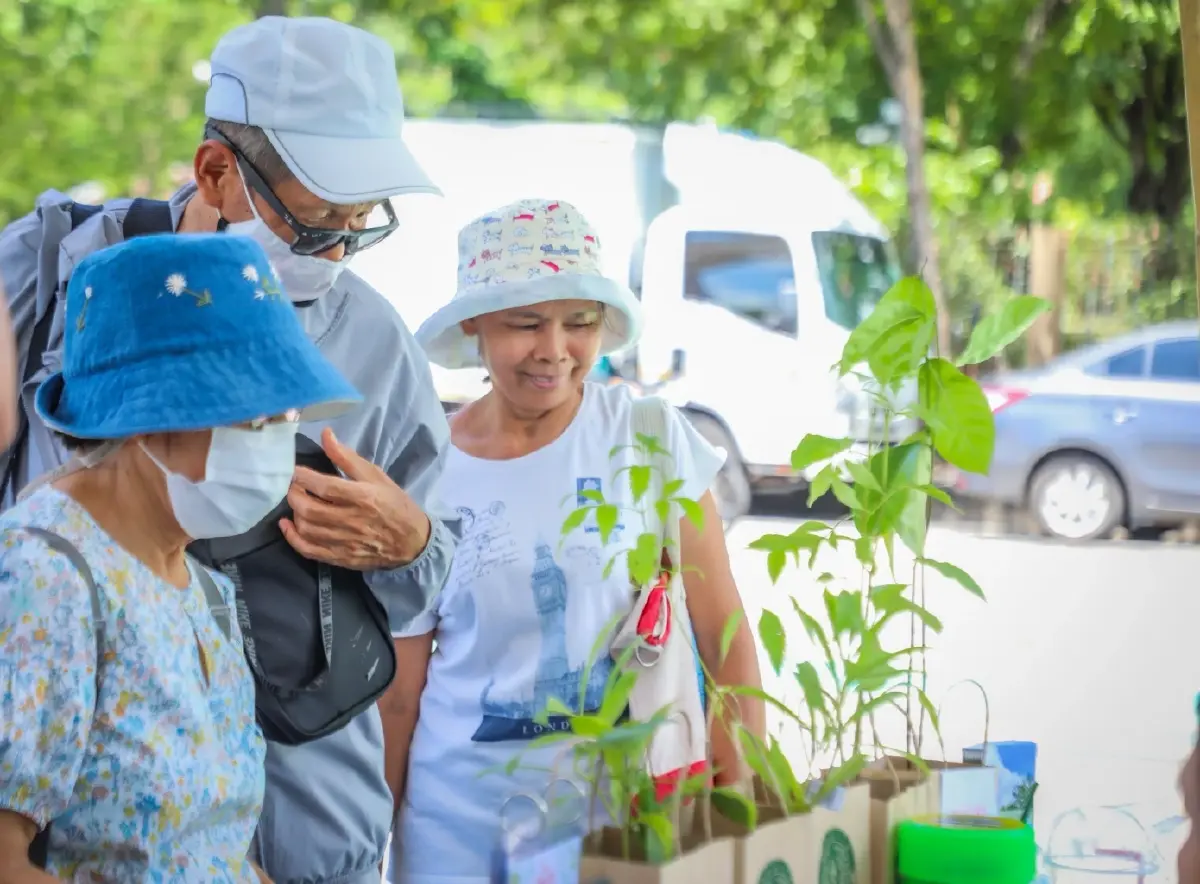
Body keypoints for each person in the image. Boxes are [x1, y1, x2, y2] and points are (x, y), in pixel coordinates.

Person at [0, 17, 458, 884]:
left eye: (361, 226)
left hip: (310, 820)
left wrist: (415, 543)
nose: (339, 250)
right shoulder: (56, 266)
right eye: (320, 221)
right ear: (217, 169)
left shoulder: (376, 340)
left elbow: (428, 599)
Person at [383, 199, 764, 883]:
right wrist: (369, 840)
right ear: (474, 322)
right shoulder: (425, 467)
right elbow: (401, 691)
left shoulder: (649, 435)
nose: (553, 349)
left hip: (630, 827)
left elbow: (724, 632)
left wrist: (739, 804)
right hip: (460, 833)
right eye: (525, 322)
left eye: (579, 323)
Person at [0, 233, 360, 880]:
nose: (277, 445)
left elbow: (210, 845)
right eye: (255, 421)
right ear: (145, 420)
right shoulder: (44, 576)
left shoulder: (200, 586)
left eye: (287, 418)